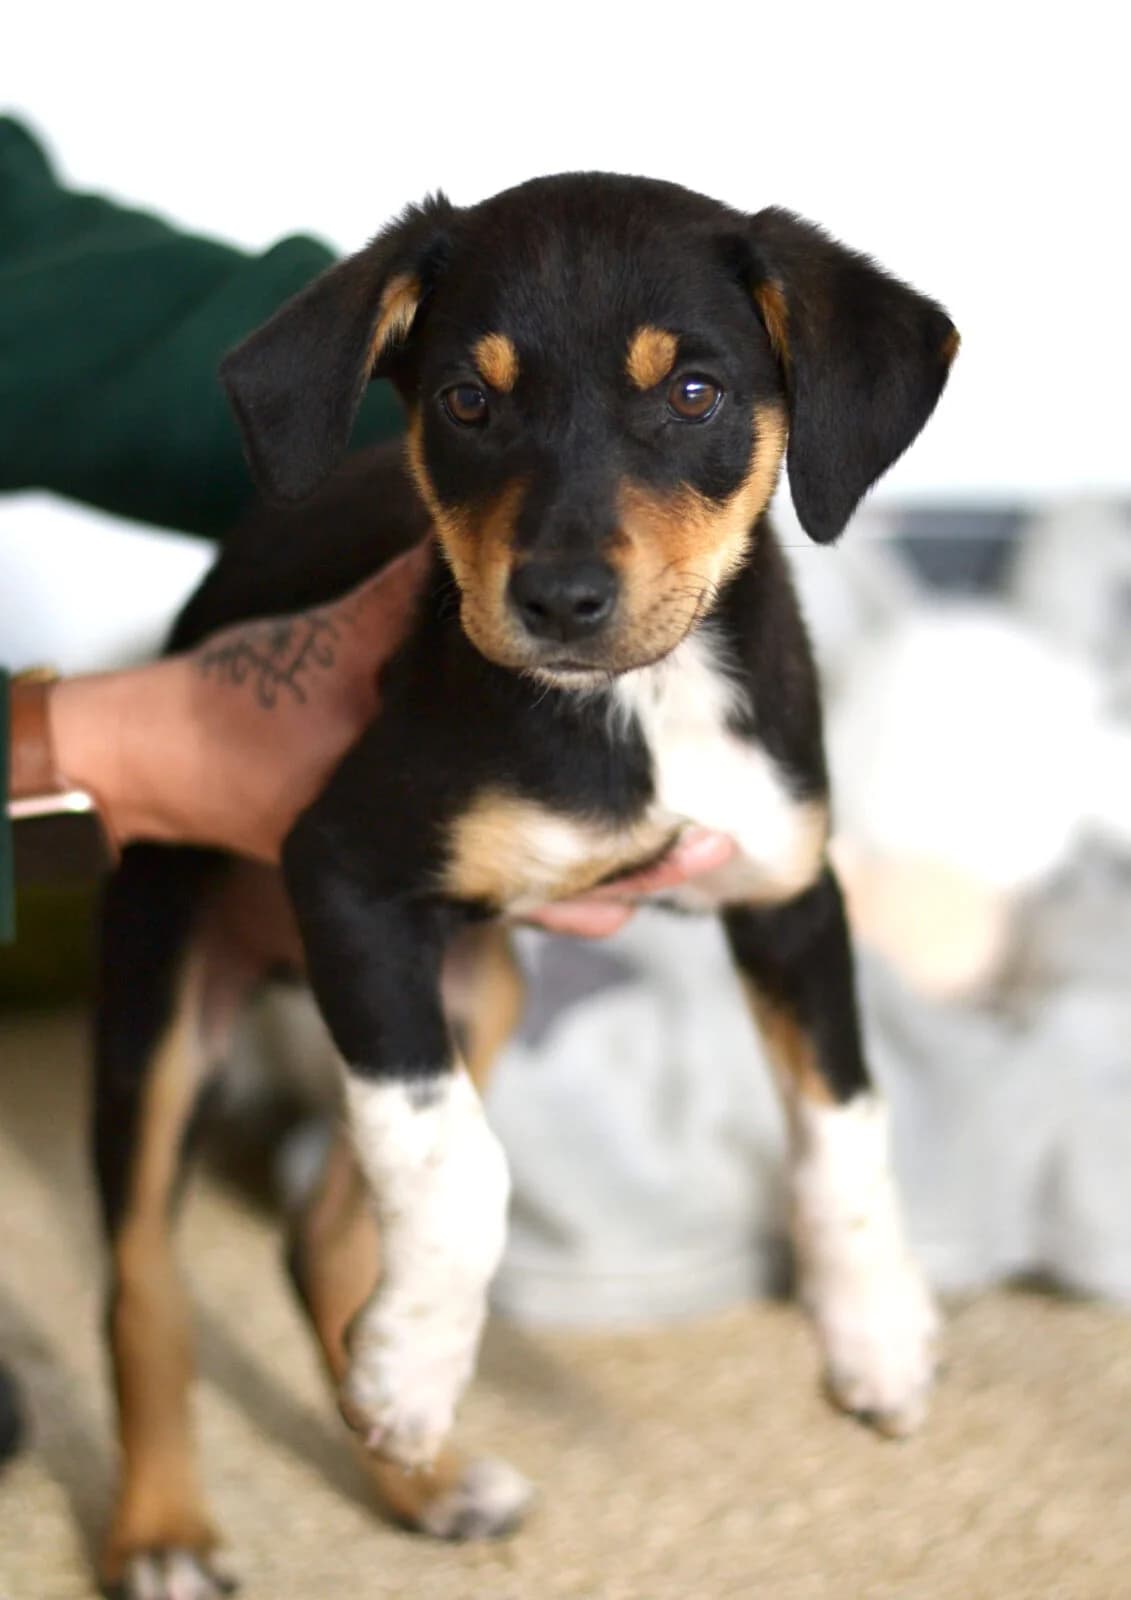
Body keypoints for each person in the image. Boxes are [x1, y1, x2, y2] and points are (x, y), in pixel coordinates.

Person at [0, 117, 733, 1458]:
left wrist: (469, 381)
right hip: (201, 856)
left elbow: (54, 285)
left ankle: (353, 1321)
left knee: (477, 990)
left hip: (385, 857)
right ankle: (152, 1429)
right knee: (145, 1129)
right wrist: (122, 752)